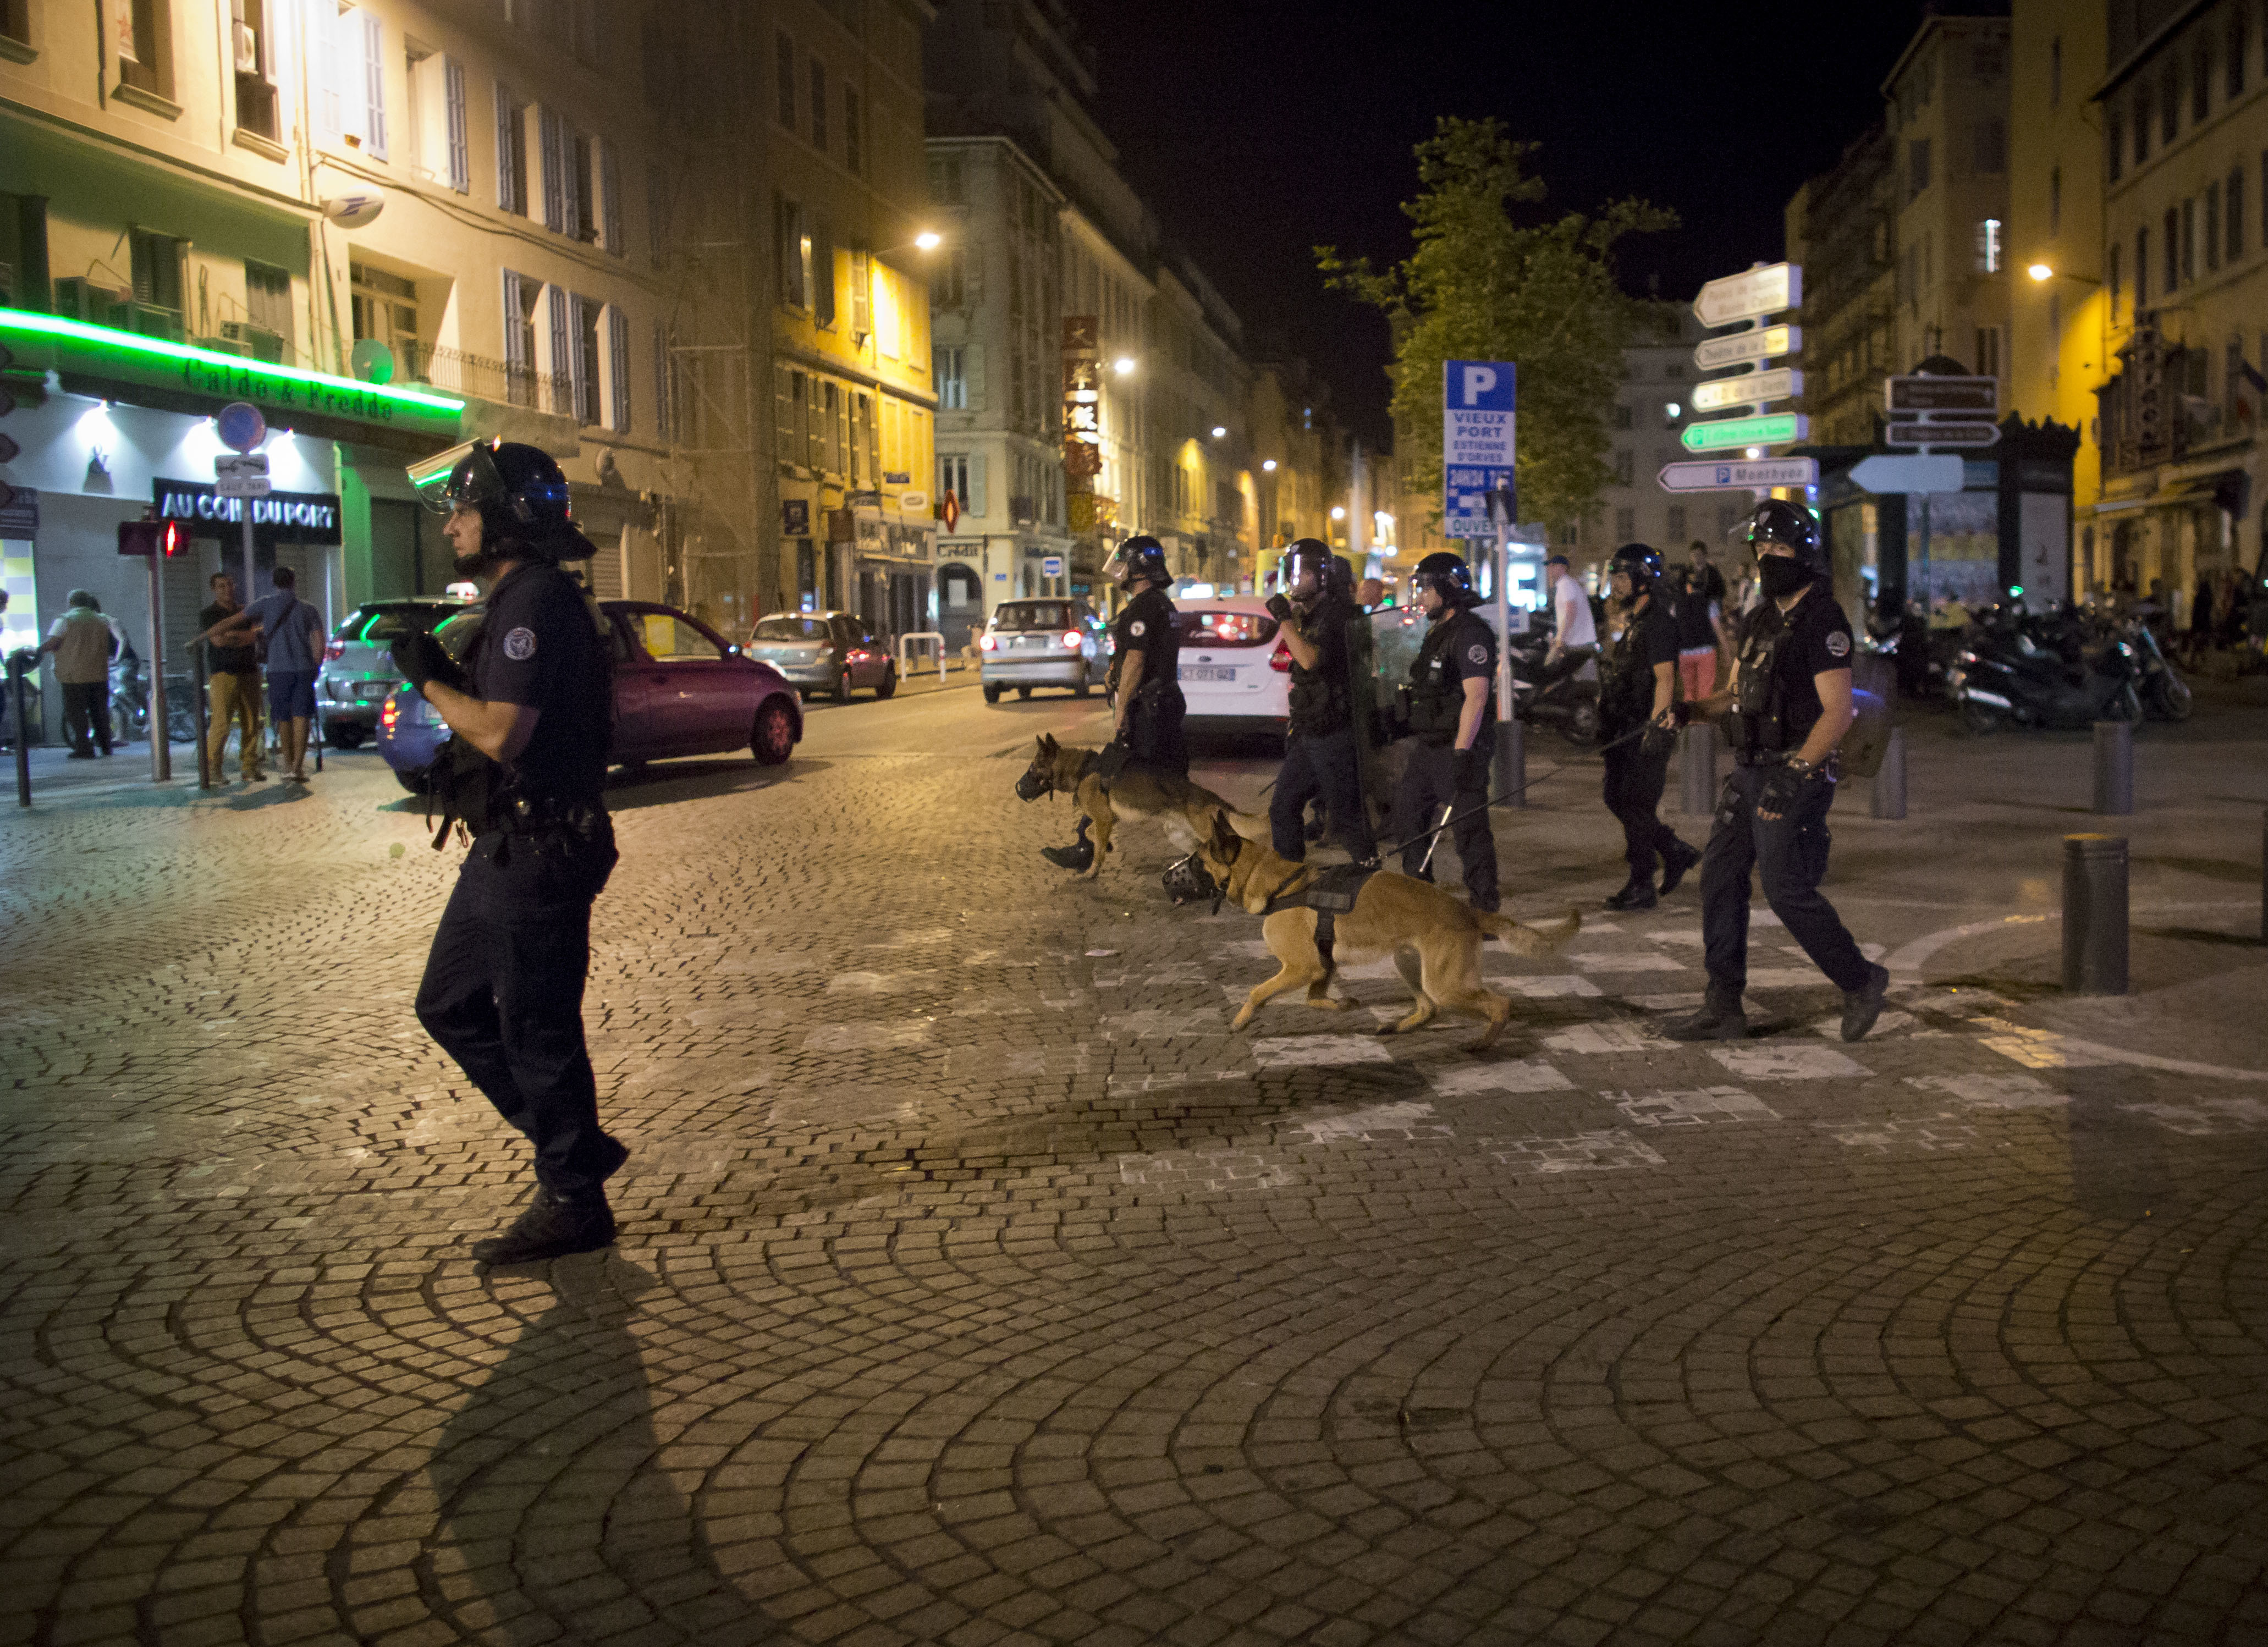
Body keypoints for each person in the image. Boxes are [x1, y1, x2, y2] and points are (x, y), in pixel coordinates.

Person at [390, 438, 624, 1264]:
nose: (452, 523)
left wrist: (429, 679)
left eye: (464, 508)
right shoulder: (520, 598)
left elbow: (499, 729)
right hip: (509, 842)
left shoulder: (533, 601)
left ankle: (574, 1196)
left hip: (542, 842)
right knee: (448, 1001)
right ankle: (576, 1151)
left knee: (536, 1025)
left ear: (507, 519)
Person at [1664, 499, 1890, 1045]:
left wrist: (1794, 774)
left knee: (1786, 890)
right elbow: (1736, 692)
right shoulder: (1763, 616)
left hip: (1796, 771)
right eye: (1760, 548)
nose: (1767, 557)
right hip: (1748, 770)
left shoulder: (1823, 619)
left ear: (1803, 554)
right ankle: (1722, 1005)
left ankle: (1860, 980)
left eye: (1779, 548)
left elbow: (1837, 712)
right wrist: (1690, 710)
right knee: (1718, 878)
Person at [1390, 550, 1499, 912]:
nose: (1420, 596)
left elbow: (1477, 695)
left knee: (1469, 829)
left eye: (1425, 588)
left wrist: (1463, 752)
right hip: (1431, 743)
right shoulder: (1439, 632)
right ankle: (1419, 895)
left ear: (1447, 588)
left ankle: (1485, 908)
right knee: (1408, 813)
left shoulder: (1471, 633)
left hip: (1458, 743)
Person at [1597, 543, 1697, 911]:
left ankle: (1642, 884)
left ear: (1642, 580)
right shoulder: (1637, 622)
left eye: (1622, 577)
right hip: (1624, 728)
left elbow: (1666, 679)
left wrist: (1655, 730)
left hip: (1644, 730)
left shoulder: (1657, 623)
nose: (1616, 585)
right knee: (1617, 797)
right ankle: (1673, 850)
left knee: (1636, 806)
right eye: (1615, 577)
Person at [1267, 538, 1377, 868]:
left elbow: (1310, 660)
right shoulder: (1310, 616)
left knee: (1347, 818)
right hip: (1310, 730)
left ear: (1324, 576)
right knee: (1283, 807)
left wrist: (1285, 620)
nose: (1294, 580)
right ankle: (1291, 877)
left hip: (1335, 732)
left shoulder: (1338, 615)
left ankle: (1372, 878)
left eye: (1303, 574)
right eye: (1292, 573)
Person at [222, 568, 324, 781]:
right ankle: (298, 766)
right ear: (294, 582)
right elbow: (318, 640)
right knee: (302, 716)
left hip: (278, 670)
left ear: (275, 582)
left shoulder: (265, 604)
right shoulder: (309, 610)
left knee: (283, 717)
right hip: (303, 669)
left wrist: (212, 631)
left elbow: (237, 619)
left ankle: (287, 763)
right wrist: (316, 664)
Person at [1102, 533, 1185, 775]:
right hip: (1165, 701)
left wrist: (1122, 710)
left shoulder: (1142, 607)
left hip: (1150, 708)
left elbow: (1136, 660)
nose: (1121, 570)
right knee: (1168, 776)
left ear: (1138, 566)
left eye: (1125, 563)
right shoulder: (1163, 604)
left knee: (1139, 778)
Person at [37, 590, 128, 758]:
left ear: (71, 602)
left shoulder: (65, 620)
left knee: (77, 713)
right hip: (99, 674)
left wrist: (36, 651)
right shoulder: (102, 620)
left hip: (74, 675)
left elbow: (53, 643)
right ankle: (106, 746)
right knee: (100, 712)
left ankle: (84, 748)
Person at [195, 571, 266, 783]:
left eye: (230, 584)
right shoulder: (209, 614)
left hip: (249, 671)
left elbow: (253, 636)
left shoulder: (246, 612)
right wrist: (239, 638)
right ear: (213, 590)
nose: (227, 589)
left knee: (252, 722)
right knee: (222, 723)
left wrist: (232, 637)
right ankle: (213, 768)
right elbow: (217, 641)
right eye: (221, 586)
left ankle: (250, 767)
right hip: (223, 673)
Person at [1674, 543, 1730, 701]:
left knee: (1689, 692)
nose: (1697, 557)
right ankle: (1701, 722)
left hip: (1685, 650)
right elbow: (1717, 627)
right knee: (1705, 693)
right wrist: (1726, 651)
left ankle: (1690, 721)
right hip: (1705, 648)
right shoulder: (1708, 603)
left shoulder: (1679, 603)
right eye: (1694, 554)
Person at [1542, 553, 1597, 668]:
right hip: (1578, 642)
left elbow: (1571, 611)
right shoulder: (1568, 584)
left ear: (1562, 568)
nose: (1549, 569)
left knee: (1549, 668)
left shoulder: (1566, 584)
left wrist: (1561, 638)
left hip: (1577, 643)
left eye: (1552, 566)